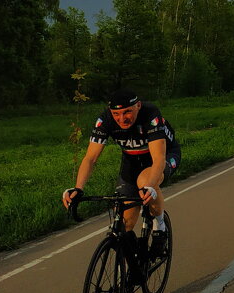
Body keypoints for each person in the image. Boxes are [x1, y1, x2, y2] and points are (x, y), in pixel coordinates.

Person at [62, 89, 181, 260]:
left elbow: (158, 158)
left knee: (145, 181)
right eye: (116, 114)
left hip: (164, 156)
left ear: (138, 106)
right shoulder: (105, 120)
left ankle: (159, 226)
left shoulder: (150, 114)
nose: (122, 118)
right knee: (125, 225)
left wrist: (150, 186)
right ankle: (133, 269)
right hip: (132, 161)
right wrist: (78, 188)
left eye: (127, 112)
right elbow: (90, 158)